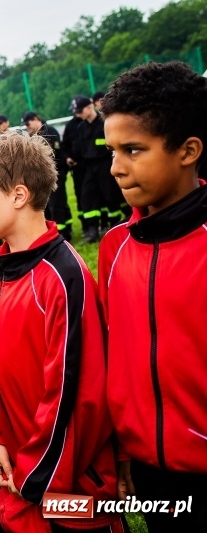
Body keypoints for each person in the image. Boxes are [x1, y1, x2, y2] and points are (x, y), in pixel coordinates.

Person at [0, 132, 124, 532]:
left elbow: (74, 395)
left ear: (18, 195)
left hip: (70, 485)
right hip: (20, 473)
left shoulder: (63, 278)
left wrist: (36, 474)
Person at [99, 61, 207, 531]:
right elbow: (114, 355)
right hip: (147, 465)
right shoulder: (114, 247)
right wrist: (123, 448)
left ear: (188, 151)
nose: (116, 167)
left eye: (133, 150)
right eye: (112, 151)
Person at [69, 95, 124, 242]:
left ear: (89, 107)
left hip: (105, 165)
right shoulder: (81, 128)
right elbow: (78, 149)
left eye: (80, 111)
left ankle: (115, 228)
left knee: (110, 197)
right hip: (89, 167)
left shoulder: (104, 124)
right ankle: (93, 231)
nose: (78, 115)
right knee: (87, 197)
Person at [22, 111, 73, 240]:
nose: (27, 127)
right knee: (49, 206)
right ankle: (58, 230)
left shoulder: (50, 131)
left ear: (35, 119)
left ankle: (63, 233)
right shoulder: (31, 136)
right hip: (41, 176)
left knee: (57, 204)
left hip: (56, 174)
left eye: (28, 124)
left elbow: (55, 154)